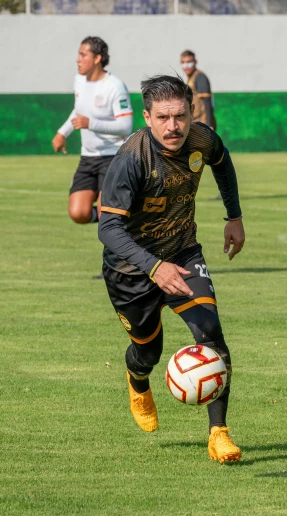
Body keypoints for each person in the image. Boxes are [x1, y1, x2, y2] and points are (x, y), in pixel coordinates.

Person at [98, 74, 245, 463]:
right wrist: (153, 267)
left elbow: (223, 162)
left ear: (191, 112)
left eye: (180, 116)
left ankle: (219, 434)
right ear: (147, 117)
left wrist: (234, 216)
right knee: (148, 351)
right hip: (131, 271)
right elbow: (108, 229)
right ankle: (137, 379)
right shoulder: (132, 159)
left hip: (182, 254)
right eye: (162, 117)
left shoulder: (201, 138)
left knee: (211, 331)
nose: (173, 126)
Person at [52, 36, 133, 230]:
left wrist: (91, 123)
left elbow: (125, 126)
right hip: (88, 157)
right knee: (78, 213)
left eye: (83, 55)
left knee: (109, 216)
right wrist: (62, 133)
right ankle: (115, 216)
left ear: (97, 58)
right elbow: (79, 111)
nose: (77, 59)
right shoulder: (79, 81)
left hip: (113, 156)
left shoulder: (115, 86)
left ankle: (117, 219)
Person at [180, 50, 216, 130]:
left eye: (189, 62)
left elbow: (207, 101)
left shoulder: (200, 77)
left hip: (203, 123)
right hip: (195, 122)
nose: (186, 65)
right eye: (183, 62)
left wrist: (209, 125)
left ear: (195, 62)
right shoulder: (191, 78)